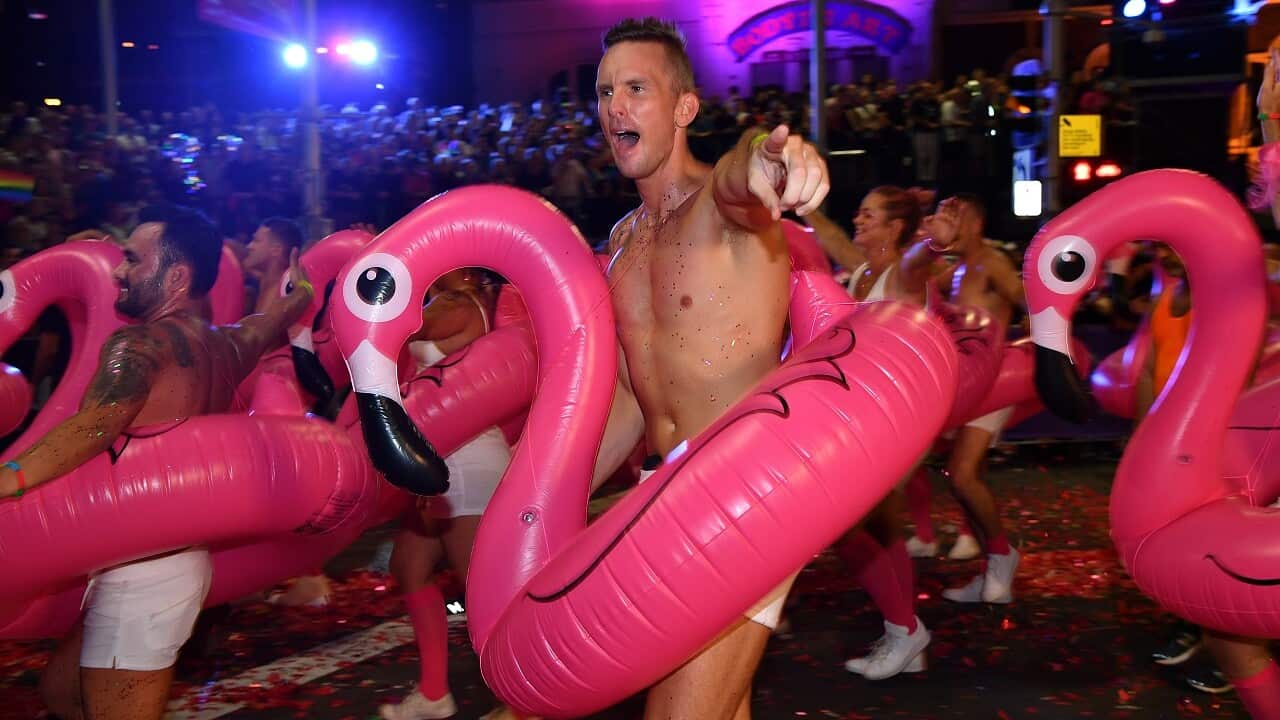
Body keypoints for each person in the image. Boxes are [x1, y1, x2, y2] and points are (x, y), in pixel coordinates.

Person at [597, 17, 827, 719]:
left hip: (746, 492)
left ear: (685, 108)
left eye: (637, 88)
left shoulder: (725, 211)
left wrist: (769, 160)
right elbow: (636, 397)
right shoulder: (621, 242)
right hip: (667, 495)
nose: (615, 107)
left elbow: (743, 176)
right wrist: (546, 489)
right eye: (606, 91)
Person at [5, 204, 315, 720]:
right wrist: (300, 292)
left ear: (175, 275)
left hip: (144, 575)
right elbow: (271, 320)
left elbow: (96, 425)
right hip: (148, 560)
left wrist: (9, 477)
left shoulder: (139, 344)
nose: (119, 272)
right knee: (61, 693)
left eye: (131, 259)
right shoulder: (227, 345)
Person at [803, 187, 936, 679]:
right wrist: (804, 206)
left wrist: (936, 242)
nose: (857, 219)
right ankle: (906, 637)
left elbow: (921, 260)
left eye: (869, 213)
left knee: (848, 528)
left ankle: (907, 630)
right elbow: (834, 238)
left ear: (896, 227)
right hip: (866, 418)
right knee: (880, 528)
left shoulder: (902, 272)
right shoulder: (863, 270)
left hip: (897, 419)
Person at [379, 269, 513, 720]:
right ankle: (435, 693)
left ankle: (517, 702)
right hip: (442, 462)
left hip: (469, 464)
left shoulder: (457, 304)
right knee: (409, 567)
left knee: (484, 597)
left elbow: (393, 325)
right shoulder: (452, 302)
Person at [918, 194, 1025, 605]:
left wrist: (1033, 348)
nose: (945, 222)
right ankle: (991, 566)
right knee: (958, 476)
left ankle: (1002, 556)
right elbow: (918, 284)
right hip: (965, 382)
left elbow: (1030, 302)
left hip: (995, 381)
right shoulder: (958, 269)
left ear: (975, 223)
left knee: (962, 473)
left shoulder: (992, 262)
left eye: (953, 216)